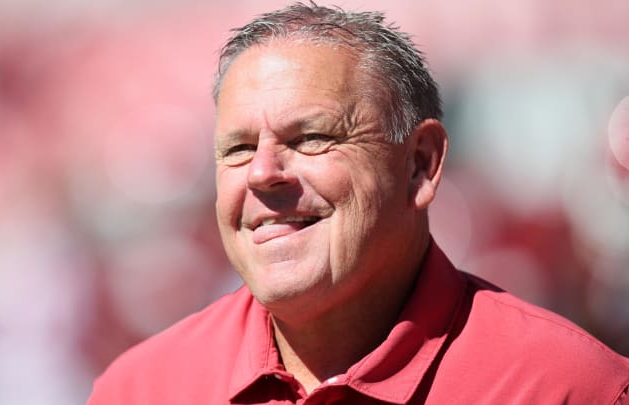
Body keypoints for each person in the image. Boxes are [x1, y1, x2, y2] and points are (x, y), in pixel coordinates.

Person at [88, 2, 629, 404]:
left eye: (311, 139)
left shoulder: (571, 388)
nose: (261, 174)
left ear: (420, 163)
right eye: (238, 148)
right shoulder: (139, 389)